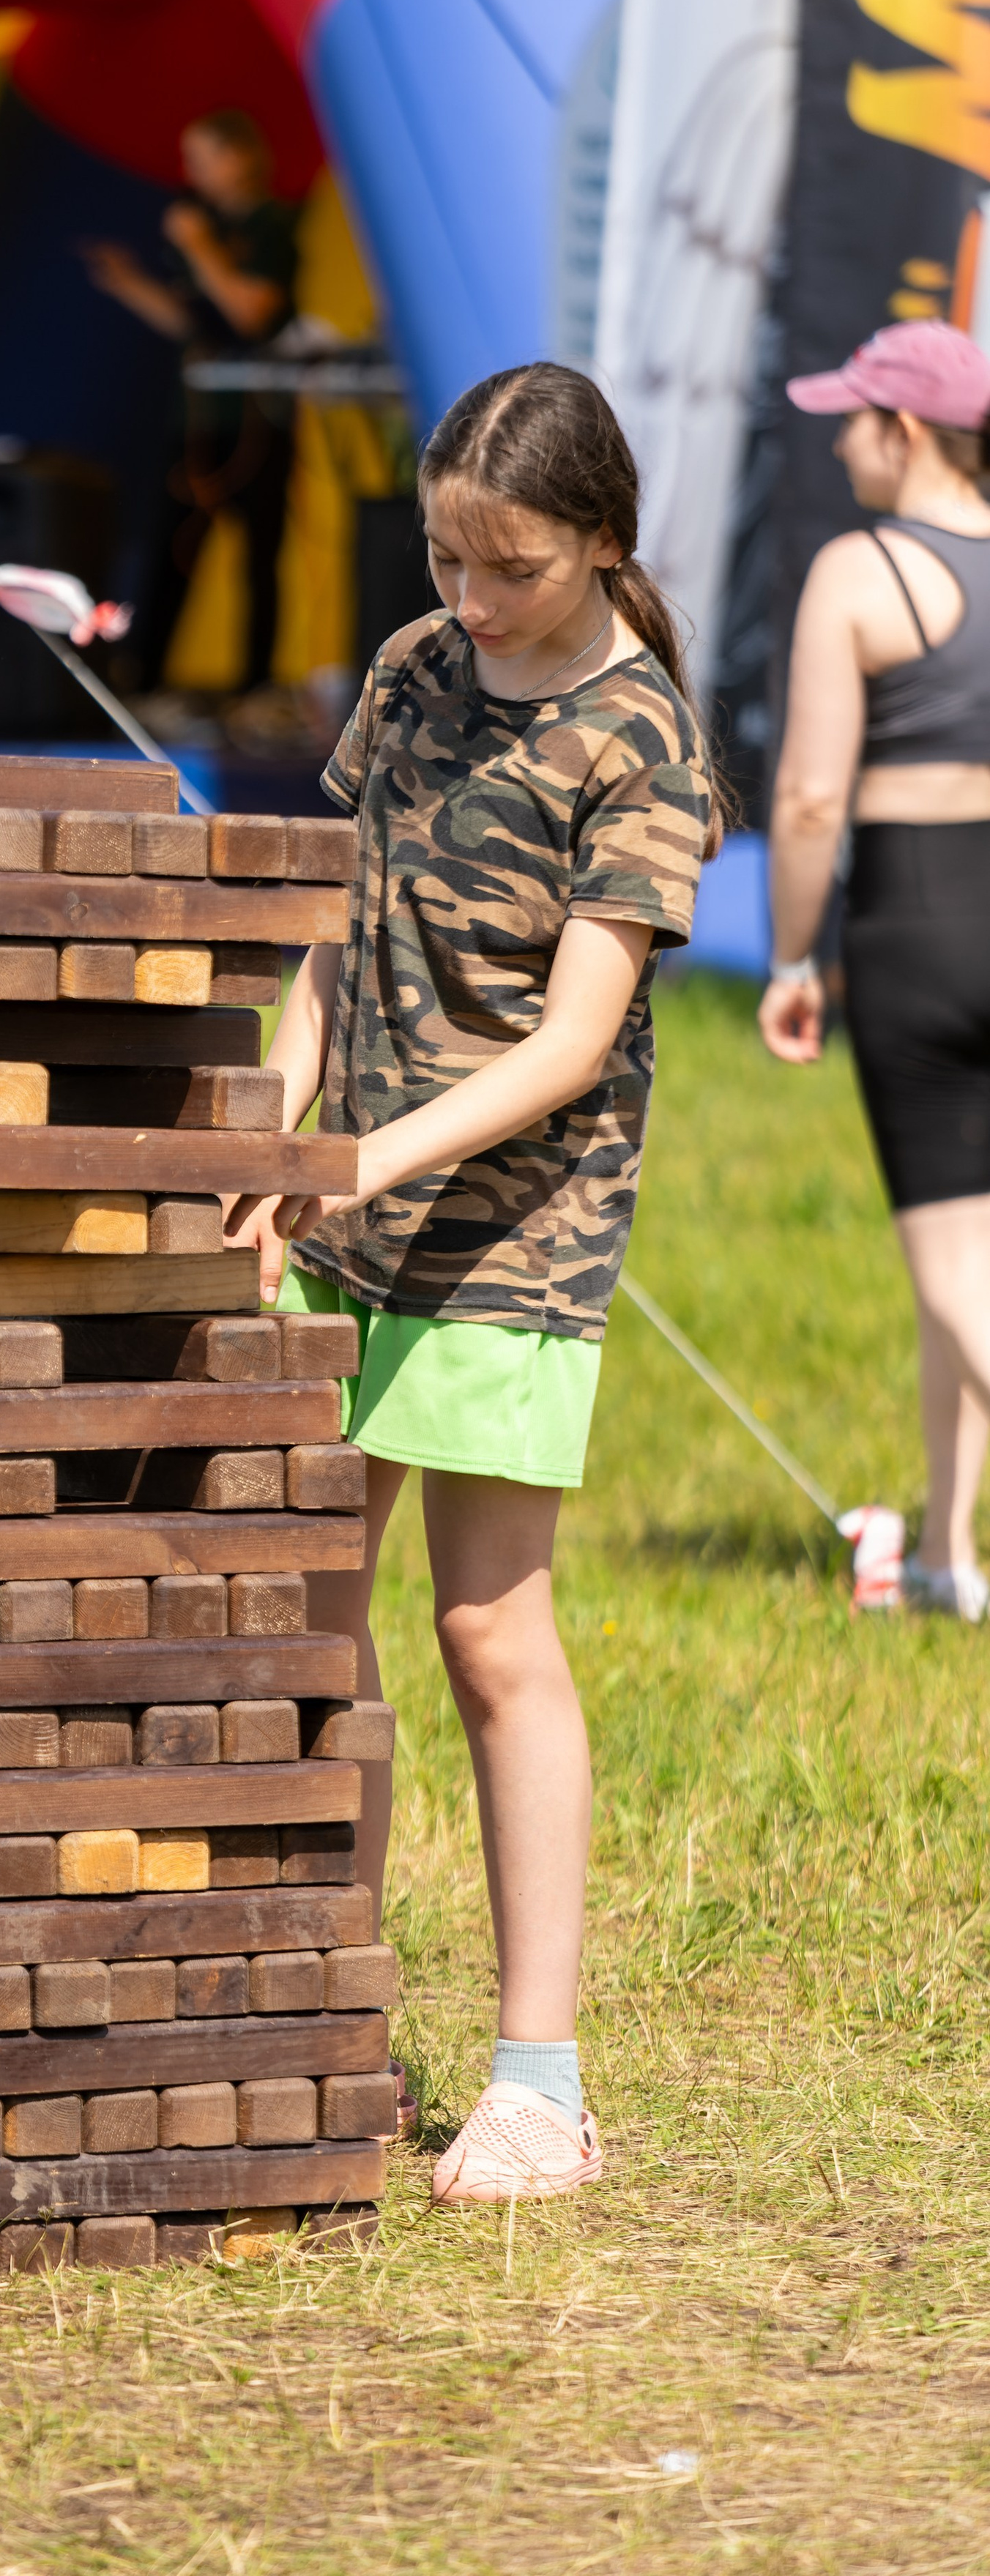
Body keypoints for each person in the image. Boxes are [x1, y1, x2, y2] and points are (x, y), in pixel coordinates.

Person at [225, 364, 715, 2204]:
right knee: (304, 1623)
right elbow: (333, 948)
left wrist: (365, 1155)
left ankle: (535, 2082)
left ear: (596, 541)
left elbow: (575, 1042)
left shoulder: (635, 737)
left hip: (519, 1236)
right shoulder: (409, 677)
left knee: (484, 1634)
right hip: (347, 1209)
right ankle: (325, 2007)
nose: (467, 598)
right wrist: (279, 1147)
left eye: (504, 565)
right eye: (444, 555)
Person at [762, 320, 990, 1623]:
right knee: (965, 1264)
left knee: (956, 1266)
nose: (840, 436)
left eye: (853, 416)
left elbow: (805, 800)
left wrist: (794, 956)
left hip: (919, 917)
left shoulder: (861, 571)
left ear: (904, 434)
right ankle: (952, 1556)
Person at [83, 108, 299, 699]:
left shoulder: (267, 227)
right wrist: (128, 284)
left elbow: (248, 314)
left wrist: (201, 247)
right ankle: (143, 679)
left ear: (238, 159)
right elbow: (190, 324)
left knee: (259, 559)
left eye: (202, 159)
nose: (192, 172)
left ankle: (255, 686)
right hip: (197, 422)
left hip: (255, 422)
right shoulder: (200, 232)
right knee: (171, 550)